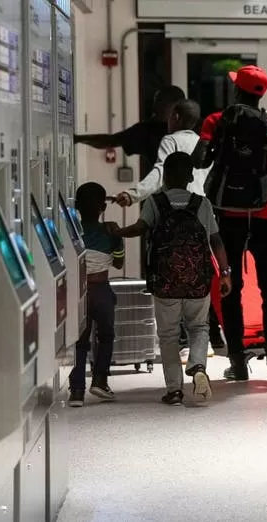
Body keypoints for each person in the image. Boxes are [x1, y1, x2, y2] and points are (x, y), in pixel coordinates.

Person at [192, 65, 267, 383]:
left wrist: (213, 144)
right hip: (266, 213)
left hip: (227, 213)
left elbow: (199, 161)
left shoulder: (217, 120)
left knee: (230, 285)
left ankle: (238, 361)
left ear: (236, 90)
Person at [109, 152, 232, 405]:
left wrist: (118, 231)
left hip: (165, 281)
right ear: (190, 177)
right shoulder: (202, 204)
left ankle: (174, 391)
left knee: (168, 336)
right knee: (199, 328)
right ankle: (198, 367)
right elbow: (216, 241)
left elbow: (140, 229)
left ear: (164, 176)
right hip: (198, 281)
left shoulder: (155, 202)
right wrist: (225, 273)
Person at [113, 98, 226, 351]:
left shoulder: (171, 141)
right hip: (202, 212)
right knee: (200, 272)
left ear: (175, 116)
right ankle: (211, 333)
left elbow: (159, 174)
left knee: (174, 274)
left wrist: (133, 194)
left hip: (174, 215)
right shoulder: (204, 143)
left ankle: (182, 339)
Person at [68, 182, 124, 407]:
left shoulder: (71, 232)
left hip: (78, 291)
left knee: (79, 341)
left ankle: (76, 391)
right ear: (103, 207)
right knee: (106, 336)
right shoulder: (111, 232)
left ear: (76, 206)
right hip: (101, 289)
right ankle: (100, 380)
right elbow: (119, 263)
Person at [74, 86, 186, 181]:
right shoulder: (147, 130)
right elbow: (110, 141)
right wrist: (77, 139)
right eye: (155, 102)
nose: (155, 108)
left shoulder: (191, 129)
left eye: (161, 103)